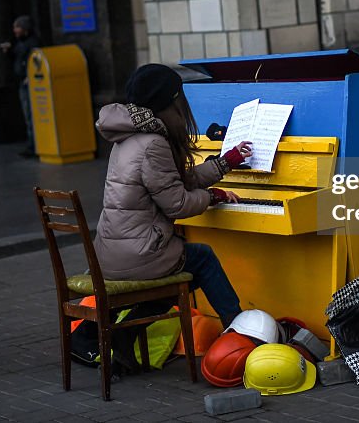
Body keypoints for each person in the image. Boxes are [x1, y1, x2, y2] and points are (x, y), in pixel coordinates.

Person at [93, 63, 252, 333]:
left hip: (114, 252)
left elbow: (173, 182)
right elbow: (177, 204)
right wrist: (213, 196)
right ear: (171, 102)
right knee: (202, 259)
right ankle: (239, 330)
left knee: (182, 276)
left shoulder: (131, 136)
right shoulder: (154, 142)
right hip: (137, 254)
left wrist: (225, 163)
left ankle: (120, 338)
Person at [0, 15, 41, 158]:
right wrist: (8, 52)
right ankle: (32, 144)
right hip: (22, 82)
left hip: (29, 83)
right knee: (28, 115)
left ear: (25, 29)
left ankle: (35, 145)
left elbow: (36, 61)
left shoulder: (32, 43)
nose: (15, 30)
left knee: (31, 114)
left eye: (18, 27)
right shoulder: (19, 43)